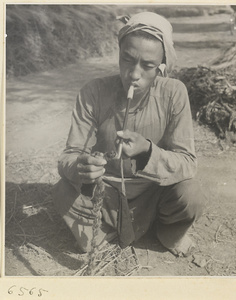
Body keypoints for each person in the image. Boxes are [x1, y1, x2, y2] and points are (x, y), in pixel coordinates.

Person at [53, 12, 204, 257]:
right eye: (127, 59)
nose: (134, 74)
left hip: (154, 193)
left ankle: (168, 232)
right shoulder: (93, 92)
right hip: (105, 195)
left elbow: (187, 164)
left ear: (162, 68)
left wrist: (147, 150)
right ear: (119, 54)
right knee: (62, 191)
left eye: (148, 66)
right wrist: (80, 166)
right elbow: (68, 156)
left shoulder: (174, 93)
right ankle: (103, 231)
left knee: (190, 194)